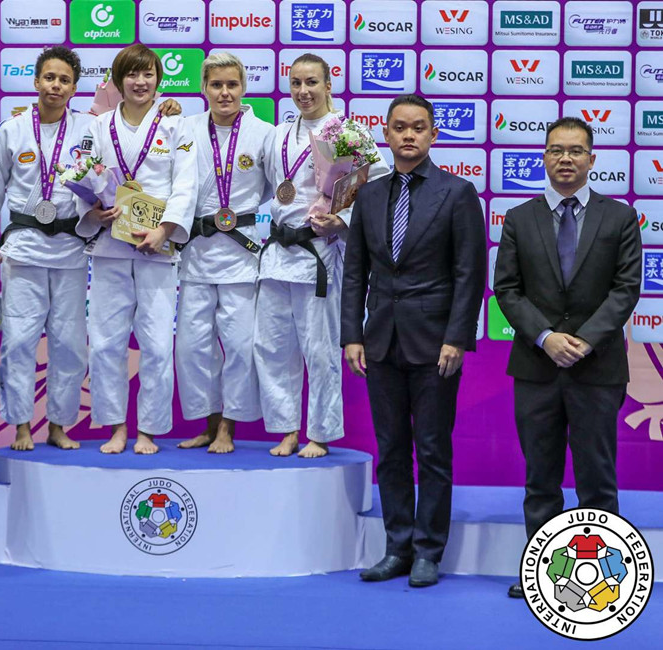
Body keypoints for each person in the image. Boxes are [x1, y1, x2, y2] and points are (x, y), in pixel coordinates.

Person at [493, 117, 641, 599]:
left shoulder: (619, 217)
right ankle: (542, 574)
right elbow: (507, 290)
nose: (565, 159)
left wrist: (584, 340)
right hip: (536, 367)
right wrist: (546, 338)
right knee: (541, 477)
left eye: (576, 151)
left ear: (592, 159)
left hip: (597, 368)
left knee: (597, 480)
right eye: (556, 150)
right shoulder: (519, 218)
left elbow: (626, 289)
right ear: (544, 157)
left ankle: (606, 577)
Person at [342, 94, 486, 587]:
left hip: (435, 343)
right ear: (385, 133)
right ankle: (397, 548)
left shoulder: (457, 192)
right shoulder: (368, 194)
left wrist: (457, 338)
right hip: (380, 340)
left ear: (433, 135)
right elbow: (355, 271)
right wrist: (352, 334)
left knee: (432, 450)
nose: (408, 135)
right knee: (390, 449)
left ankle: (428, 551)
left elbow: (469, 274)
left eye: (418, 127)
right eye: (400, 127)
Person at [254, 54, 388, 459]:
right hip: (278, 252)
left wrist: (341, 219)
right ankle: (286, 429)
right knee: (273, 346)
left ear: (329, 85)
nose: (303, 91)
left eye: (311, 82)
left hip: (319, 254)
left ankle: (320, 433)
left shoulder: (348, 132)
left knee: (320, 349)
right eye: (296, 83)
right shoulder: (278, 134)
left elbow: (379, 186)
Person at [75, 44, 197, 454]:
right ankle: (116, 427)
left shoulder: (176, 124)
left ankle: (149, 429)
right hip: (111, 246)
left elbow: (186, 183)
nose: (140, 82)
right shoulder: (98, 126)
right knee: (106, 343)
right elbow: (83, 176)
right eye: (132, 74)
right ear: (117, 80)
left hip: (156, 248)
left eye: (148, 74)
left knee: (158, 345)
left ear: (159, 79)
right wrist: (93, 211)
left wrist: (166, 230)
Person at [0, 46, 91, 452]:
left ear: (74, 88)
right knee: (19, 341)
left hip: (71, 249)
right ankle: (21, 425)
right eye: (49, 77)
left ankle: (58, 425)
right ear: (36, 81)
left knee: (69, 344)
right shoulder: (12, 129)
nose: (56, 85)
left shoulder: (89, 130)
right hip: (23, 250)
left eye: (65, 80)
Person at [175, 53, 273, 454]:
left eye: (232, 84)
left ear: (244, 87)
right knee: (192, 347)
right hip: (196, 251)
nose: (225, 92)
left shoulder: (265, 133)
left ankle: (228, 429)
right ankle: (208, 423)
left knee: (239, 346)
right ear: (204, 88)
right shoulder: (184, 128)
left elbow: (278, 186)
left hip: (241, 255)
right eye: (216, 84)